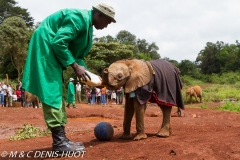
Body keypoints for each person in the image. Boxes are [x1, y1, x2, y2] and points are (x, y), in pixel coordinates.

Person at [21, 3, 116, 153]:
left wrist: (93, 79)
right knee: (52, 92)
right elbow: (59, 42)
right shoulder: (78, 19)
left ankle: (61, 140)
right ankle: (59, 143)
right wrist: (75, 66)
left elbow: (77, 57)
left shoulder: (87, 26)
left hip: (52, 50)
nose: (107, 25)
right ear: (99, 15)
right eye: (107, 21)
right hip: (46, 48)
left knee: (56, 90)